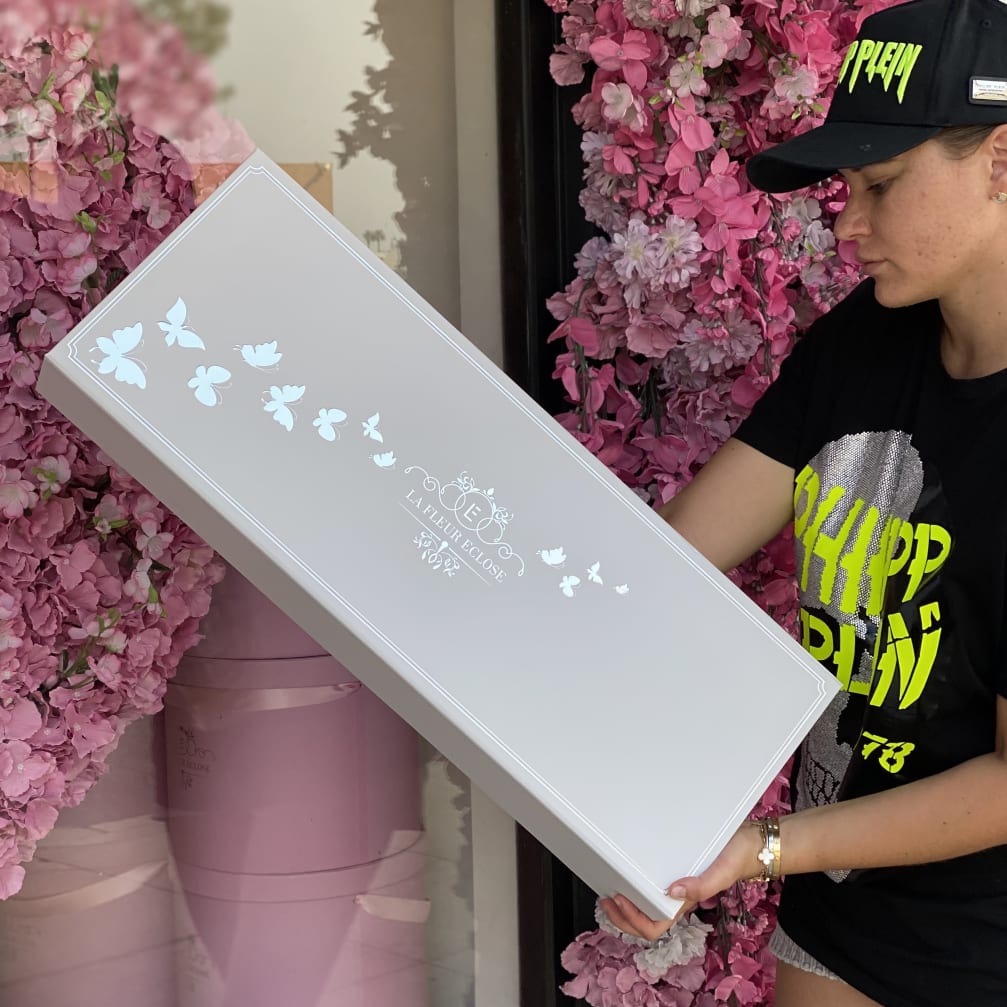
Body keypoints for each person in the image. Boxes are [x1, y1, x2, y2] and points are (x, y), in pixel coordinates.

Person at [599, 2, 1007, 1005]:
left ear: (999, 160)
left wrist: (763, 845)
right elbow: (669, 560)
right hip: (840, 909)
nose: (848, 221)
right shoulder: (863, 344)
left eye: (877, 184)